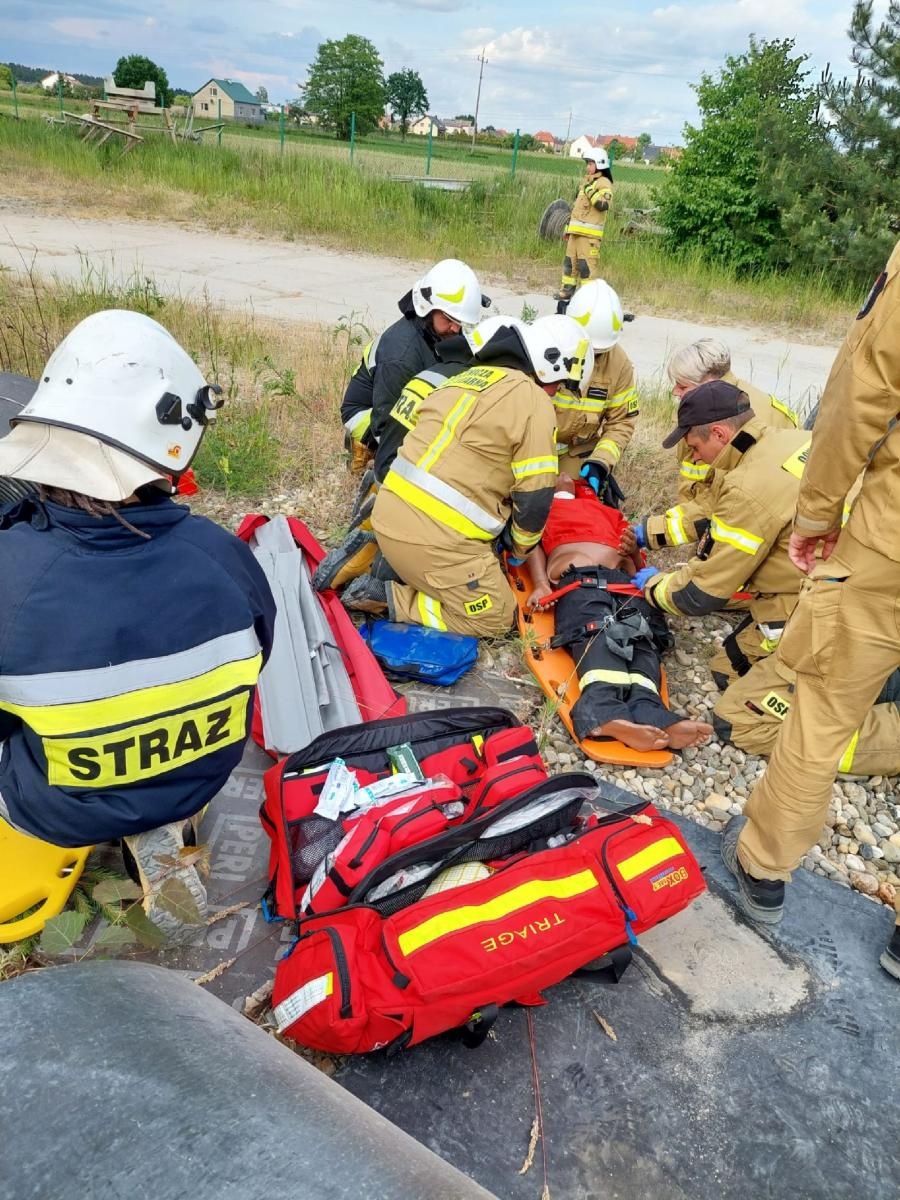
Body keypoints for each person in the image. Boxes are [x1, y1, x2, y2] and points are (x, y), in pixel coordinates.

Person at [0, 310, 276, 940]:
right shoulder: (227, 558)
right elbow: (257, 657)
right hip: (195, 782)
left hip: (56, 811)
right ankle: (156, 829)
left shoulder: (10, 575)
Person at [720, 239, 900, 979]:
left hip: (890, 542)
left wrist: (818, 517)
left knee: (822, 709)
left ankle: (763, 868)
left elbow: (860, 398)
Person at [342, 315, 592, 636]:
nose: (557, 393)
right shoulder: (533, 400)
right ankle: (396, 600)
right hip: (433, 541)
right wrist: (519, 550)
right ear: (549, 367)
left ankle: (402, 569)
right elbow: (535, 498)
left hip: (387, 518)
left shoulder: (465, 378)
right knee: (496, 617)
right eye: (562, 384)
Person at [632, 379, 809, 708]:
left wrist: (654, 587)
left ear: (718, 434)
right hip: (838, 575)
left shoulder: (748, 487)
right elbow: (711, 511)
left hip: (827, 604)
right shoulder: (782, 442)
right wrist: (648, 531)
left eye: (694, 448)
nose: (695, 459)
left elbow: (700, 592)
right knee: (731, 664)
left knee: (734, 705)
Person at [526, 476, 712, 751]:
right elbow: (530, 545)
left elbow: (636, 558)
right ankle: (602, 712)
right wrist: (541, 584)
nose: (565, 477)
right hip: (581, 578)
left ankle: (650, 710)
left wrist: (634, 552)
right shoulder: (541, 510)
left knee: (642, 637)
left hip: (627, 584)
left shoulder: (611, 514)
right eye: (558, 477)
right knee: (597, 630)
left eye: (571, 478)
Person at [641, 338, 801, 552]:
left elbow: (721, 502)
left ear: (708, 382)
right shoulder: (711, 408)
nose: (675, 392)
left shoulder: (738, 421)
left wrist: (653, 532)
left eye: (682, 386)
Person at [340, 258, 489, 463]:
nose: (456, 328)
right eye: (449, 319)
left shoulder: (435, 330)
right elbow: (385, 426)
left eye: (460, 321)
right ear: (427, 308)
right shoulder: (401, 355)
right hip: (368, 415)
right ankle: (365, 451)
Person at [552, 280, 638, 503]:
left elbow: (621, 423)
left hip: (576, 453)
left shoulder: (619, 364)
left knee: (577, 504)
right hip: (535, 447)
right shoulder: (545, 344)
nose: (593, 357)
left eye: (599, 353)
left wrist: (600, 462)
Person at [556, 152, 613, 310]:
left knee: (586, 268)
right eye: (587, 163)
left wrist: (589, 189)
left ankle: (587, 300)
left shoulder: (604, 183)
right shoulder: (586, 182)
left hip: (589, 237)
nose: (587, 167)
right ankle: (566, 293)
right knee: (570, 264)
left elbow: (603, 205)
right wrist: (568, 229)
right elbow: (576, 209)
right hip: (575, 234)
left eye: (590, 163)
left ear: (600, 164)